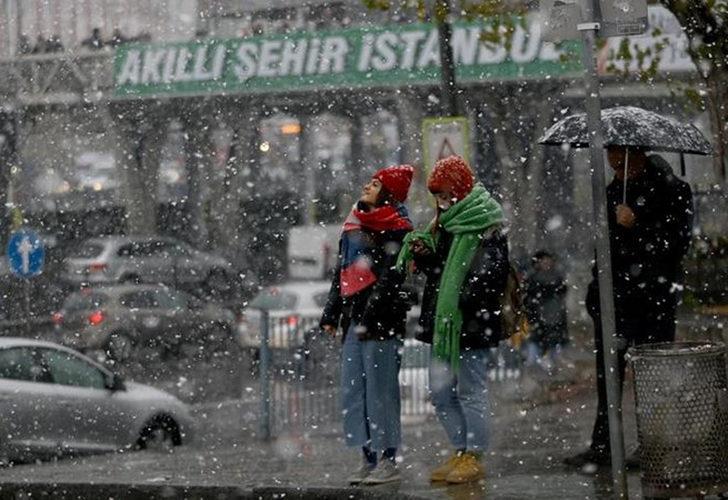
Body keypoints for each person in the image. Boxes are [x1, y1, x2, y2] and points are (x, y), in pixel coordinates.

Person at [564, 146, 693, 469]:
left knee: (652, 378)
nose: (614, 167)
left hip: (653, 300)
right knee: (608, 376)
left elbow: (676, 244)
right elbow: (605, 248)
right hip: (615, 301)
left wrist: (636, 225)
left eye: (620, 160)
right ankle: (604, 444)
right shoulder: (611, 192)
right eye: (610, 159)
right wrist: (596, 294)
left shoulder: (673, 190)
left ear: (637, 155)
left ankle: (653, 443)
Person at [397, 155, 509, 484]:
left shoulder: (485, 223)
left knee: (471, 390)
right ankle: (461, 450)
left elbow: (491, 276)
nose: (441, 202)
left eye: (445, 194)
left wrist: (461, 298)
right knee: (441, 391)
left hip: (471, 323)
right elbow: (441, 273)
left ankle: (474, 454)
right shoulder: (447, 224)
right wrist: (427, 257)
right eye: (437, 196)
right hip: (445, 324)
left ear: (459, 190)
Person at [320, 164, 414, 485]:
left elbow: (392, 275)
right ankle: (367, 456)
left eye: (375, 184)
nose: (367, 186)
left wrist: (373, 307)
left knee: (381, 391)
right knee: (353, 390)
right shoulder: (353, 224)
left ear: (388, 193)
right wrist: (332, 313)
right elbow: (341, 273)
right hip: (354, 321)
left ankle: (388, 457)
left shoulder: (397, 228)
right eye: (369, 181)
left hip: (382, 322)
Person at [523, 250, 568, 369]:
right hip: (540, 320)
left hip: (553, 319)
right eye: (543, 261)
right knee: (536, 352)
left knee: (552, 353)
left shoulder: (556, 277)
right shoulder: (533, 279)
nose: (546, 264)